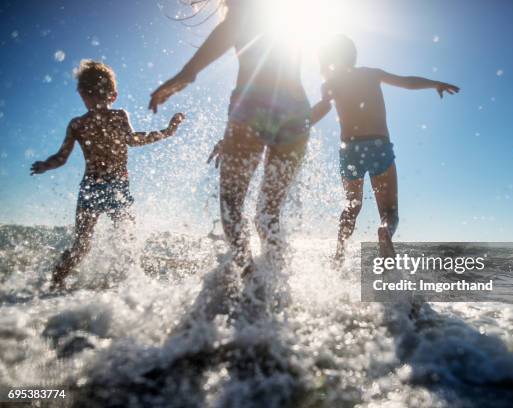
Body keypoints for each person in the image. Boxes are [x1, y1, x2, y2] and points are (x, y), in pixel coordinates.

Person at [149, 0, 311, 274]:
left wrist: (179, 79)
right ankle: (275, 285)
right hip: (296, 113)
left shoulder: (242, 14)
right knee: (269, 213)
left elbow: (194, 70)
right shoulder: (286, 15)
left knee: (232, 204)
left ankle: (248, 278)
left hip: (251, 108)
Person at [31, 60, 185, 289]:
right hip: (115, 188)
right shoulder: (112, 118)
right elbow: (134, 140)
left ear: (82, 94)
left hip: (91, 189)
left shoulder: (78, 124)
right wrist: (167, 132)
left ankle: (55, 286)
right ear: (113, 94)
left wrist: (45, 165)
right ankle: (122, 292)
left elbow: (61, 158)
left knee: (83, 246)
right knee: (126, 242)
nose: (93, 99)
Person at [310, 34, 460, 265]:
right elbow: (407, 82)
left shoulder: (330, 83)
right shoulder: (371, 73)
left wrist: (298, 125)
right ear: (352, 54)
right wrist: (434, 84)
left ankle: (338, 255)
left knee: (352, 207)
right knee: (389, 212)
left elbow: (322, 108)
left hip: (349, 149)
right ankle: (384, 231)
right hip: (378, 146)